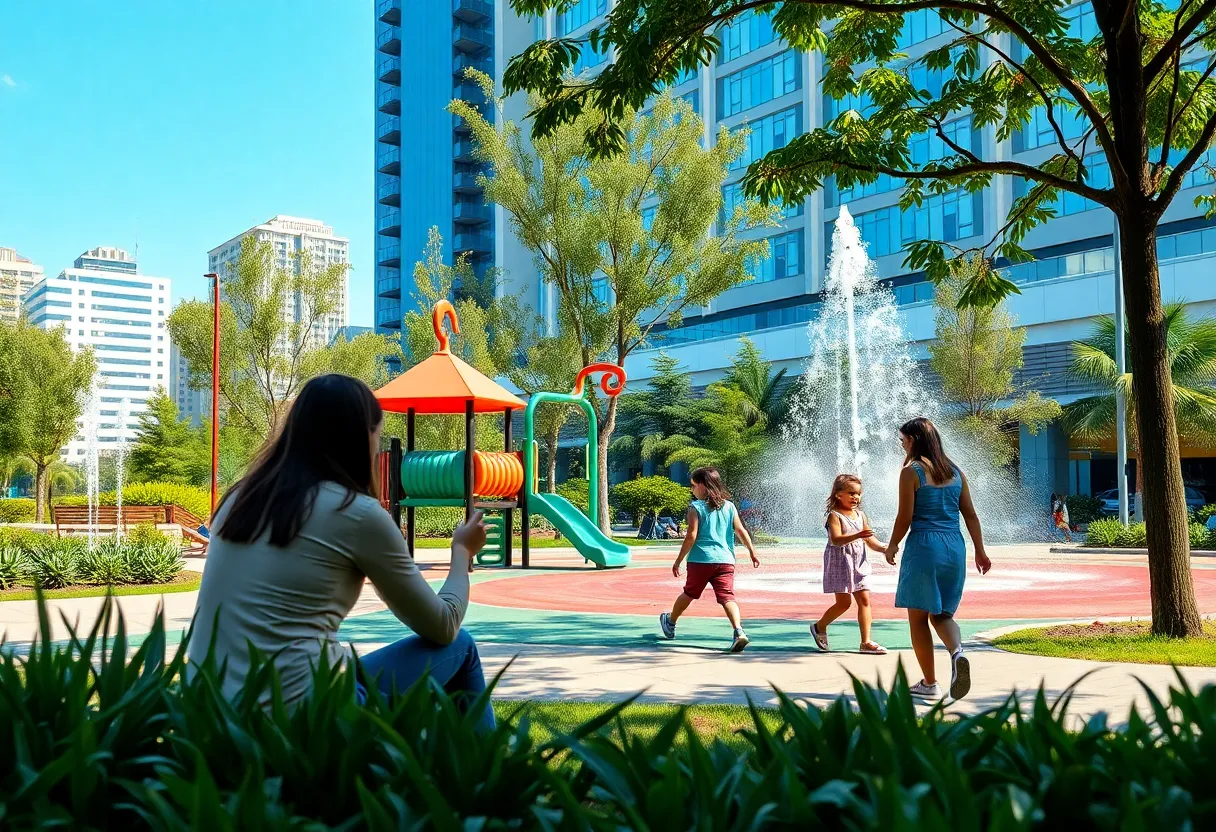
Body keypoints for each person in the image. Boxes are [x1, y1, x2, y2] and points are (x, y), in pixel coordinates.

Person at [188, 374, 494, 732]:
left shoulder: (241, 498)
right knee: (462, 647)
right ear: (362, 436)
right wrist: (461, 552)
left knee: (347, 669)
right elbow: (442, 626)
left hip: (212, 711)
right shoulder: (356, 513)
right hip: (303, 715)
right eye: (377, 435)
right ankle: (482, 778)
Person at [884, 417, 991, 701]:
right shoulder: (956, 472)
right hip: (955, 547)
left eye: (904, 439)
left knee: (918, 617)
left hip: (924, 546)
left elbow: (904, 517)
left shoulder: (912, 472)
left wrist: (892, 545)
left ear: (914, 440)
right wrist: (980, 550)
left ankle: (930, 683)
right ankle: (957, 653)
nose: (902, 444)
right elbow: (970, 514)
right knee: (942, 614)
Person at [658, 467, 760, 652]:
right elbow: (741, 530)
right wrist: (752, 551)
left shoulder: (695, 507)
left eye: (693, 485)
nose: (691, 490)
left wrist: (678, 560)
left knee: (689, 593)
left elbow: (691, 536)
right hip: (725, 560)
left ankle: (670, 621)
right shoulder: (729, 506)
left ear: (703, 486)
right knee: (728, 597)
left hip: (700, 559)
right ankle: (739, 631)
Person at [809, 474, 888, 655]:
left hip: (859, 563)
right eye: (851, 493)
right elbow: (836, 540)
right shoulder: (834, 516)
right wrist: (857, 535)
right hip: (841, 562)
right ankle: (819, 626)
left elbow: (871, 541)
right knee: (843, 603)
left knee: (864, 599)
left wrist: (885, 549)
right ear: (838, 495)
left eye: (858, 494)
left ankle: (866, 642)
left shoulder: (860, 515)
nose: (855, 498)